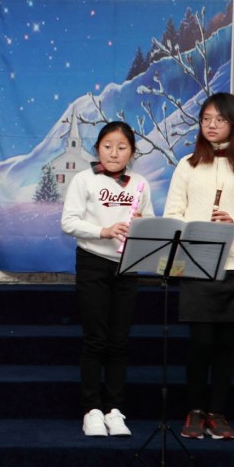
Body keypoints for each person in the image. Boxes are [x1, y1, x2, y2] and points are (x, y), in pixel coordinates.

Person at [163, 92, 234, 440]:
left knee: (226, 344)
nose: (211, 125)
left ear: (233, 124)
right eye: (206, 119)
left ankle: (218, 412)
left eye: (219, 120)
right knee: (200, 342)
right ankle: (194, 411)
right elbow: (172, 214)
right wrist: (196, 231)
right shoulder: (187, 164)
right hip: (197, 262)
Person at [61, 121, 154, 437]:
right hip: (93, 263)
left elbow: (150, 221)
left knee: (120, 340)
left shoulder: (140, 183)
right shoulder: (83, 180)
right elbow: (69, 222)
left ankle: (114, 409)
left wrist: (141, 224)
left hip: (127, 266)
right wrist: (104, 230)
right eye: (107, 146)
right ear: (98, 148)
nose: (114, 153)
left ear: (132, 152)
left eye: (122, 147)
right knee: (96, 339)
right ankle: (92, 410)